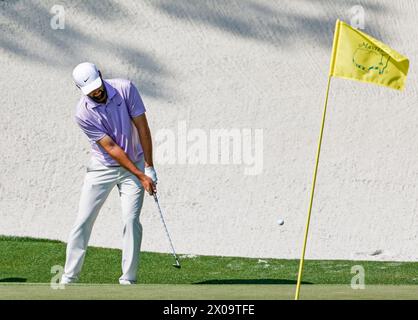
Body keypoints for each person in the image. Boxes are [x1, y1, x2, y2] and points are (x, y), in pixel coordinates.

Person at [60, 62, 157, 285]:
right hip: (102, 168)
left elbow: (143, 128)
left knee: (131, 220)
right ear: (80, 90)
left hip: (136, 162)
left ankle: (128, 280)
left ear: (101, 76)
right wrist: (141, 175)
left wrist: (149, 167)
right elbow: (112, 148)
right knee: (84, 220)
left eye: (97, 86)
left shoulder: (126, 89)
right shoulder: (82, 113)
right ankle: (69, 277)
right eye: (90, 90)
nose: (96, 92)